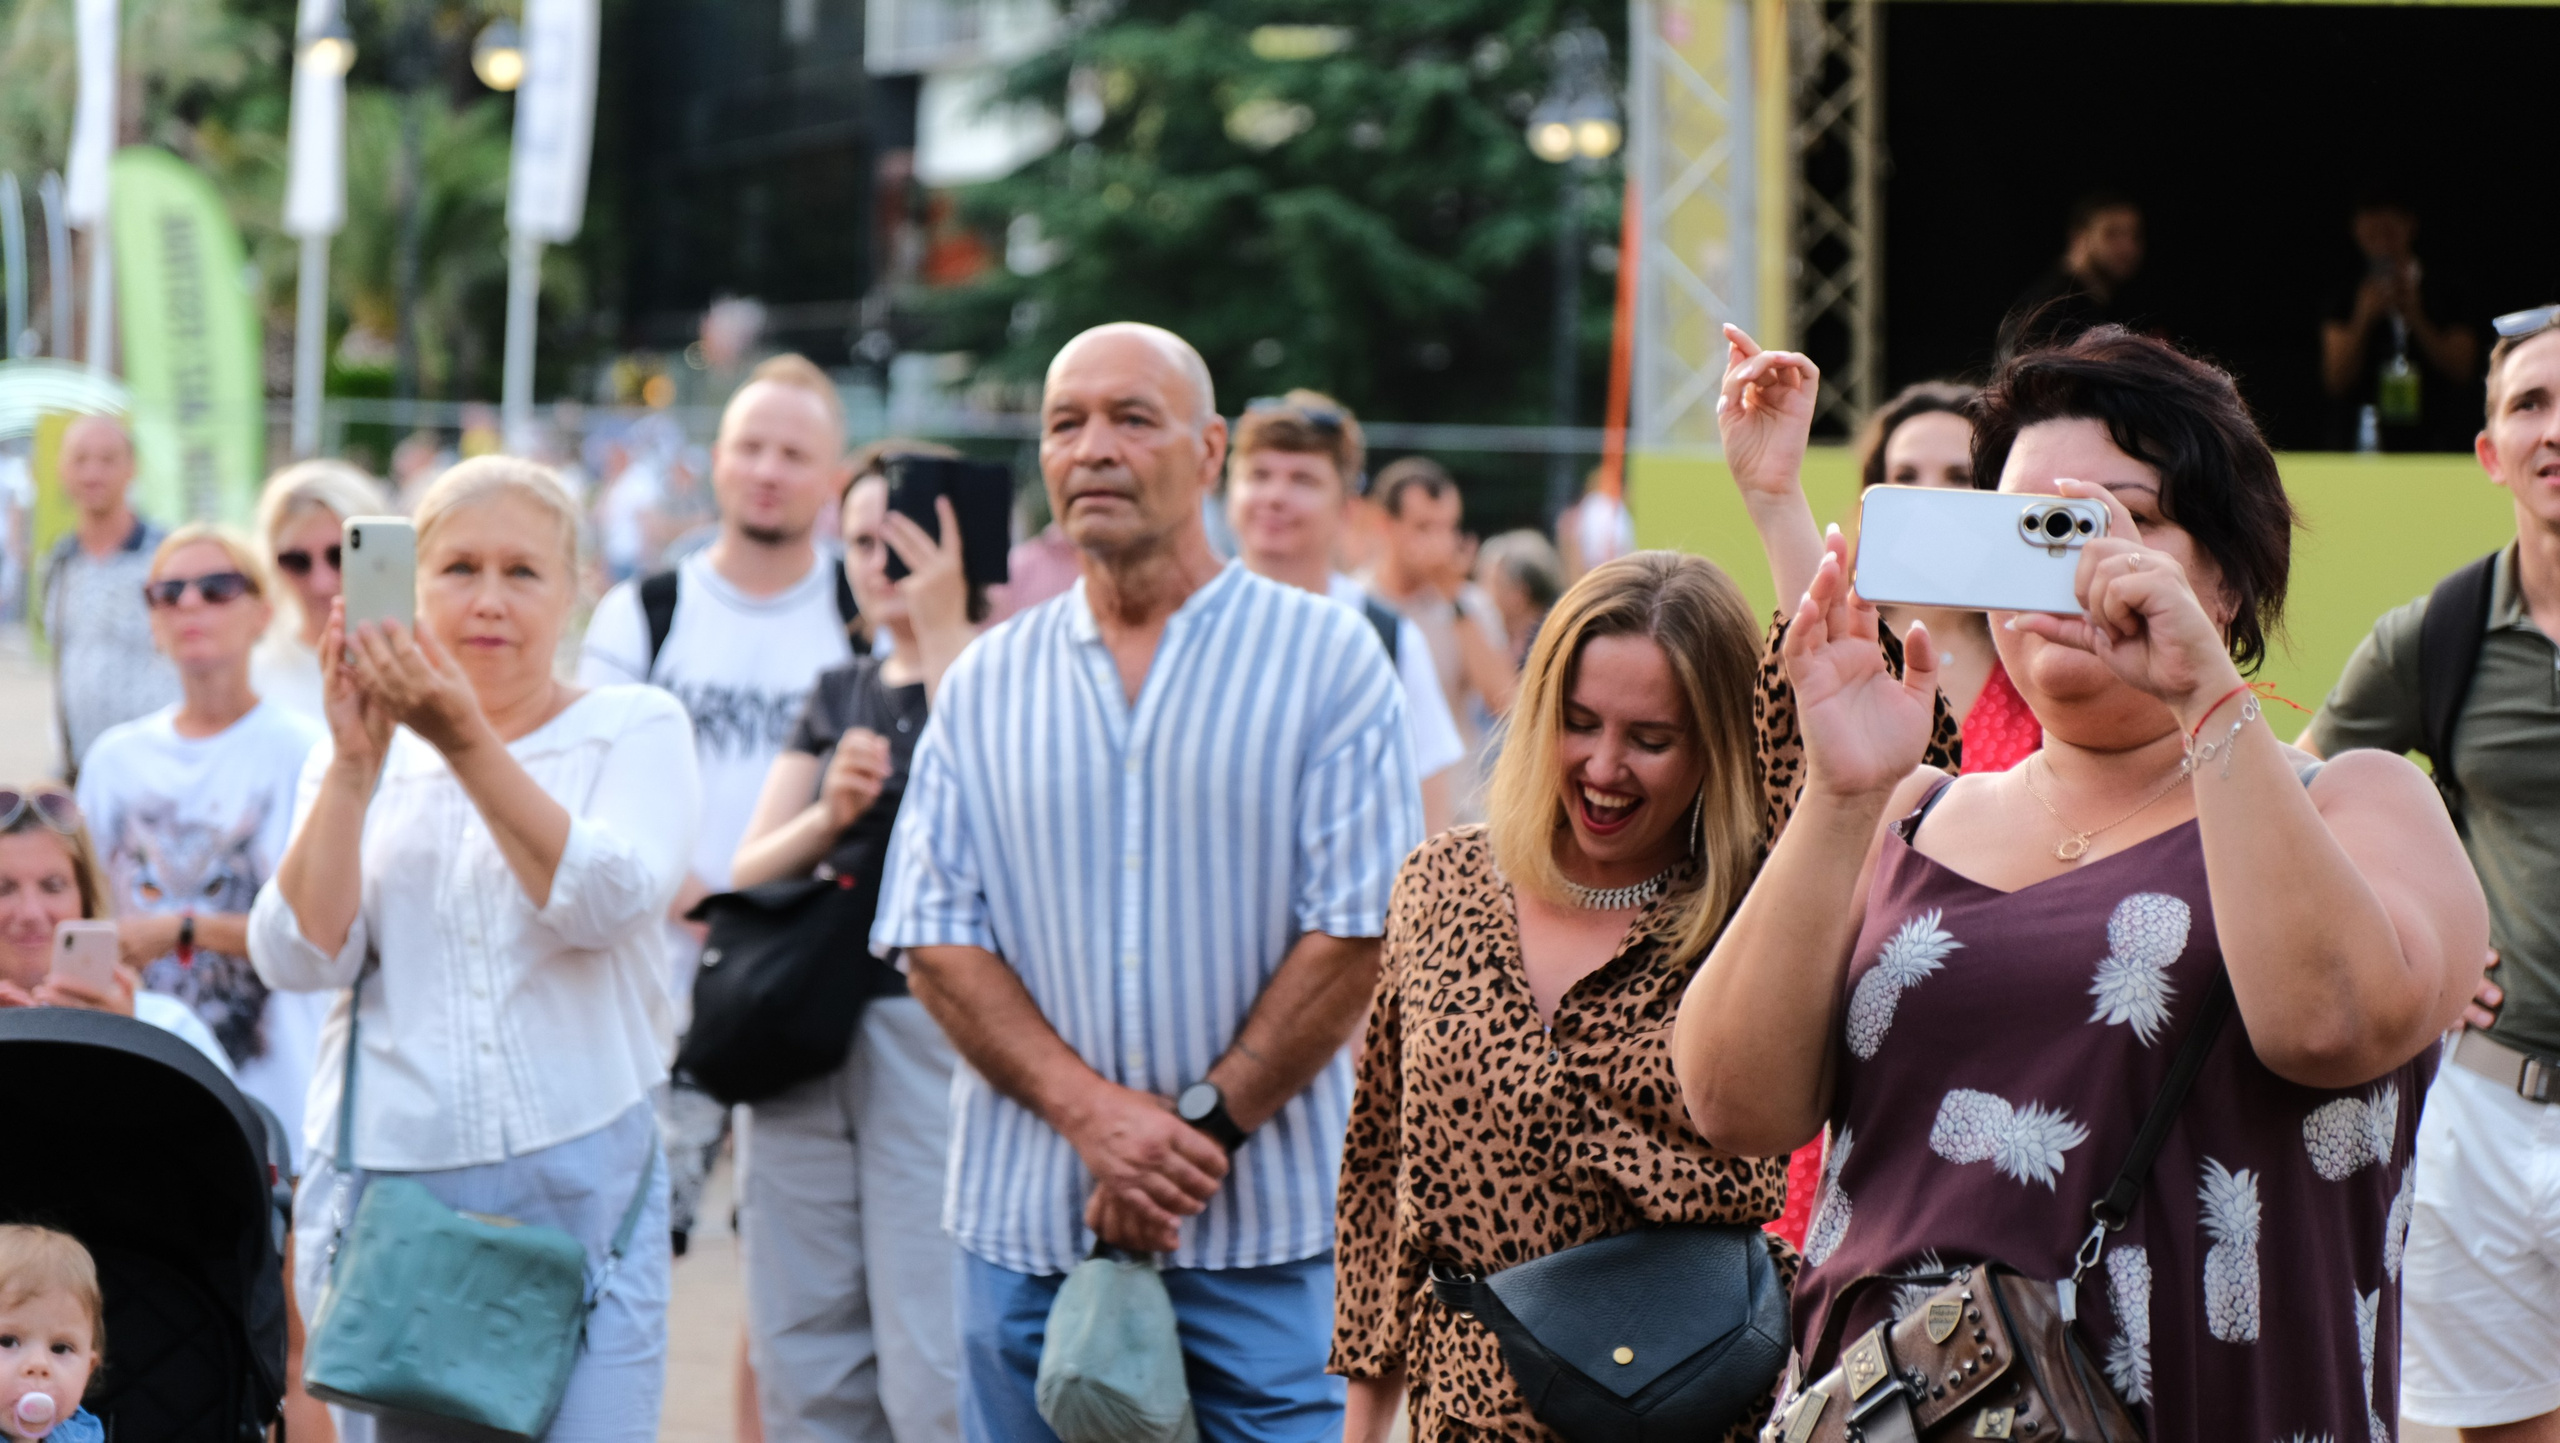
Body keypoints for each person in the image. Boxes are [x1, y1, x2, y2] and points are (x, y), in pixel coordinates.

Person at [1672, 326, 2489, 1441]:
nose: (2069, 562)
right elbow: (1729, 1103)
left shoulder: (2357, 805)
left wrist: (2203, 696)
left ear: (2230, 578)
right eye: (2030, 526)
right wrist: (1839, 792)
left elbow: (2327, 1023)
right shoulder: (1906, 811)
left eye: (2122, 521)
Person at [872, 322, 1420, 1443]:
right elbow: (931, 933)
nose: (1094, 449)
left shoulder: (1327, 658)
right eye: (1065, 424)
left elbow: (1359, 927)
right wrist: (1096, 1120)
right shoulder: (985, 682)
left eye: (1132, 418)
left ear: (1208, 448)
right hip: (1026, 1239)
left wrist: (1197, 1133)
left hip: (1265, 1245)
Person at [253, 456, 700, 1443]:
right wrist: (354, 767)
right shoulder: (350, 751)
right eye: (458, 568)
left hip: (583, 1179)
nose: (489, 600)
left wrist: (461, 736)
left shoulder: (634, 726)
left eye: (522, 572)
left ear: (577, 588)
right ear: (412, 586)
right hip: (393, 1193)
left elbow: (607, 900)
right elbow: (297, 954)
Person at [1333, 552, 1797, 1443]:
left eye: (1651, 739)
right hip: (1467, 1409)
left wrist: (1776, 504)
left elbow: (1870, 768)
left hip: (1691, 1409)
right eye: (1577, 723)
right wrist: (1363, 1428)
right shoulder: (1442, 883)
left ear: (1716, 748)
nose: (1603, 767)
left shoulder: (1757, 914)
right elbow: (1381, 1173)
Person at [2301, 305, 2560, 1442]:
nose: (2554, 429)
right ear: (2488, 452)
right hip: (2492, 1122)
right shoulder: (2437, 636)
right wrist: (2421, 941)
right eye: (2528, 405)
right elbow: (2296, 797)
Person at [724, 451, 979, 1443]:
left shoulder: (1003, 671)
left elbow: (1010, 814)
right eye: (863, 540)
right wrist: (831, 811)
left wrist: (952, 628)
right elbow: (750, 867)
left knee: (933, 1348)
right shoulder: (840, 687)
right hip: (802, 1032)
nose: (882, 562)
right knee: (805, 1343)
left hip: (934, 1032)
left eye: (905, 538)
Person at [578, 353, 859, 1255]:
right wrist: (700, 900)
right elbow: (588, 788)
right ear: (718, 459)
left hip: (813, 998)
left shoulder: (863, 613)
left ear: (833, 477)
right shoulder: (645, 611)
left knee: (786, 1309)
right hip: (658, 1006)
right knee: (633, 1268)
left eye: (794, 452)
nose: (770, 470)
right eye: (752, 446)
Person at [73, 525, 328, 1158]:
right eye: (168, 592)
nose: (191, 604)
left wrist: (181, 928)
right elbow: (81, 914)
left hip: (279, 1093)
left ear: (262, 613)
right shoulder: (114, 760)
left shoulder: (308, 753)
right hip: (137, 1084)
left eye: (217, 588)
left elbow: (324, 933)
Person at [1227, 390, 1468, 835]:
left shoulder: (1385, 635)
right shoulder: (1186, 621)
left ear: (1347, 510)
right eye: (1259, 474)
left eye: (1303, 480)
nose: (1275, 496)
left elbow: (1430, 818)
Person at [0, 784, 229, 1069]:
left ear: (85, 898)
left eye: (53, 886)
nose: (31, 912)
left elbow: (222, 1114)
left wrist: (126, 1043)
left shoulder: (168, 1027)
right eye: (4, 889)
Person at [1363, 457, 1518, 814]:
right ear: (1386, 525)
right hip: (1377, 803)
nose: (1441, 542)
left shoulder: (1469, 606)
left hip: (1453, 808)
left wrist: (1454, 599)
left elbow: (1506, 703)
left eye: (1449, 527)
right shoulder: (1357, 601)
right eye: (1424, 528)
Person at [39, 416, 176, 781]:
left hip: (155, 771)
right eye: (80, 460)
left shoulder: (166, 558)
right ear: (62, 470)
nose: (92, 472)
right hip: (79, 773)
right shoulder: (58, 562)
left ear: (131, 468)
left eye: (107, 459)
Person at [2320, 194, 2481, 453]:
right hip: (2364, 443)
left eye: (2389, 231)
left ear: (2410, 225)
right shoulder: (2344, 295)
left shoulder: (2449, 291)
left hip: (2439, 442)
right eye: (2373, 233)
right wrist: (2363, 318)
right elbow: (2336, 379)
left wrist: (2416, 316)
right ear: (2356, 230)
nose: (2382, 241)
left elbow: (2462, 370)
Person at [251, 461, 394, 725]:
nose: (321, 583)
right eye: (297, 561)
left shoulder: (422, 669)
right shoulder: (252, 675)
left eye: (339, 556)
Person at [1997, 191, 2146, 360]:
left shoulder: (2102, 303)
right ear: (2079, 238)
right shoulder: (2053, 306)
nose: (2127, 247)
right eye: (2111, 234)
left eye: (2135, 235)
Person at [0, 1225, 106, 1443]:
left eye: (60, 1348)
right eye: (7, 1341)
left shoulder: (81, 1436)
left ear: (88, 1369)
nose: (39, 1365)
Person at [1474, 529, 1563, 666]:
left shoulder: (1549, 649)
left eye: (1492, 584)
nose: (1482, 594)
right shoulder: (1511, 642)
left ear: (1519, 594)